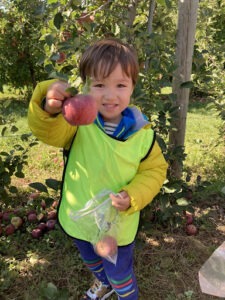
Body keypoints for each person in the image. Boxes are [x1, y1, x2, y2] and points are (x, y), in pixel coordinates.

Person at [28, 38, 168, 300]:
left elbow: (154, 171)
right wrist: (50, 105)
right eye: (100, 84)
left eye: (120, 85)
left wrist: (133, 196)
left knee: (119, 272)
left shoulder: (142, 134)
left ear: (132, 88)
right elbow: (48, 132)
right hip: (80, 216)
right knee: (91, 259)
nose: (110, 95)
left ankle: (125, 293)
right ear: (85, 87)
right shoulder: (78, 123)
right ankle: (103, 282)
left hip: (118, 224)